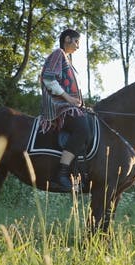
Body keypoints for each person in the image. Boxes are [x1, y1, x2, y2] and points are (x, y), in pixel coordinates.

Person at [40, 29, 90, 192]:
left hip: (71, 107)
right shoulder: (58, 54)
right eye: (76, 42)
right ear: (67, 39)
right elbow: (48, 78)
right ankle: (62, 173)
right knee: (82, 128)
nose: (77, 46)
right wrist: (69, 99)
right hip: (60, 107)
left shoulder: (68, 61)